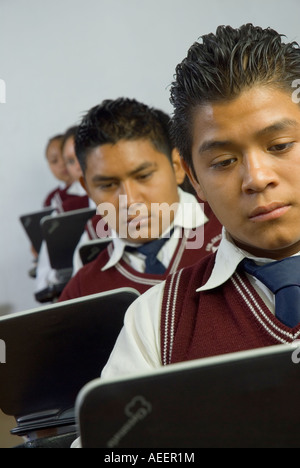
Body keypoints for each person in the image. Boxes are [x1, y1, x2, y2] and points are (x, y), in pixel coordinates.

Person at [100, 24, 300, 380]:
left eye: (280, 145)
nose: (256, 177)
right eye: (224, 162)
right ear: (194, 180)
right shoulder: (155, 323)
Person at [58, 97, 222, 301]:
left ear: (177, 167)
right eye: (108, 185)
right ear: (88, 190)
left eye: (144, 176)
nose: (130, 201)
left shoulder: (229, 225)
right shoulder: (84, 289)